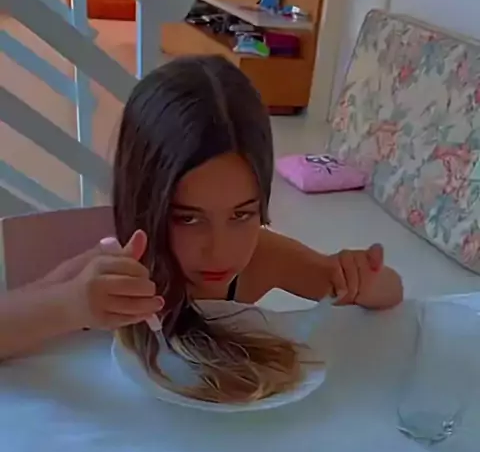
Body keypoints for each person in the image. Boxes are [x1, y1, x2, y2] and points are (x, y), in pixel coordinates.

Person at [0, 56, 403, 400]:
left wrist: (361, 279)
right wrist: (70, 305)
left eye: (241, 215)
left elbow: (390, 291)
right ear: (145, 204)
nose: (219, 250)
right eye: (188, 218)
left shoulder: (263, 259)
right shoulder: (117, 270)